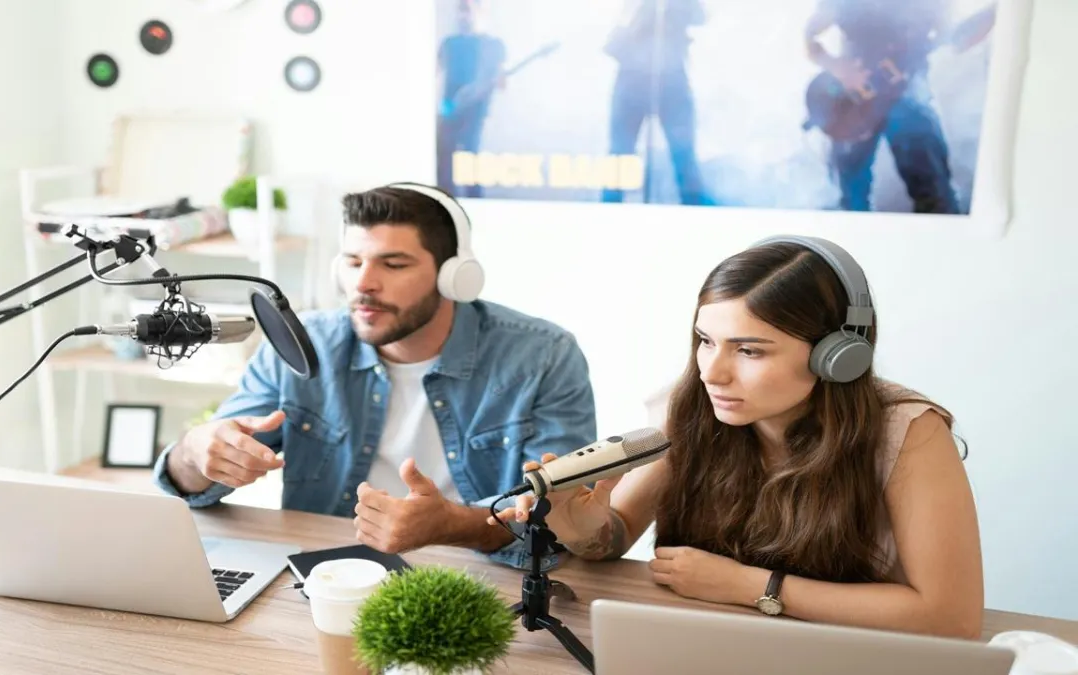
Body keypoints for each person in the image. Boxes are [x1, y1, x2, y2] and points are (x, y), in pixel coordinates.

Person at [492, 235, 984, 639]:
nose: (713, 373)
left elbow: (950, 617)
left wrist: (749, 586)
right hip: (709, 643)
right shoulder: (689, 405)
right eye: (706, 341)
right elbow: (612, 540)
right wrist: (581, 524)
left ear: (837, 356)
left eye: (749, 351)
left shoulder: (909, 432)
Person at [154, 182, 596, 571]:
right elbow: (197, 482)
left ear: (453, 278)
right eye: (352, 261)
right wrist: (197, 451)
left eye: (393, 264)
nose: (364, 283)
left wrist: (449, 524)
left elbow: (556, 513)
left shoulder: (543, 356)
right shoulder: (304, 344)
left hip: (480, 575)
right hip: (328, 574)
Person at [804, 0, 992, 213]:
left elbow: (955, 39)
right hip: (851, 103)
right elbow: (810, 35)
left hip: (907, 96)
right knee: (848, 197)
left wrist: (1001, 13)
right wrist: (837, 67)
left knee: (936, 196)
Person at [601, 0, 709, 205]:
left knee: (683, 154)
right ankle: (608, 214)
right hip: (631, 76)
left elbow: (700, 16)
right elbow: (617, 19)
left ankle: (698, 216)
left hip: (671, 78)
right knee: (619, 156)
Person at [436, 0, 507, 198]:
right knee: (444, 166)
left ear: (480, 11)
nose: (462, 16)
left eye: (467, 10)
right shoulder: (449, 43)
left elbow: (501, 83)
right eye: (460, 11)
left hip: (476, 116)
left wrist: (495, 80)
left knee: (472, 165)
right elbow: (434, 73)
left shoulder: (493, 45)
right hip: (449, 113)